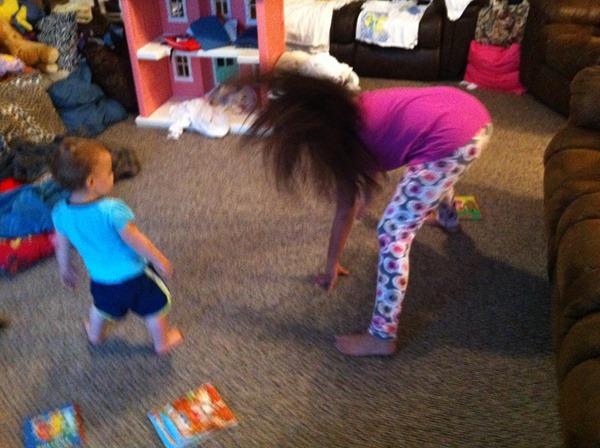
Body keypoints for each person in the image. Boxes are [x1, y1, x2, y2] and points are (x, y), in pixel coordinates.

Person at [247, 72, 492, 356]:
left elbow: (344, 210)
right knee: (434, 176)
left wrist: (331, 264)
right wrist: (363, 198)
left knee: (392, 231)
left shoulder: (346, 144)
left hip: (455, 140)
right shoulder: (357, 110)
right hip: (470, 112)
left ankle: (382, 336)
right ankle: (449, 221)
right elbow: (372, 165)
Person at [50, 137, 183, 355]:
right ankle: (162, 343)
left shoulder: (60, 213)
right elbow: (137, 240)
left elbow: (60, 245)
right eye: (110, 172)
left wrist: (65, 269)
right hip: (134, 276)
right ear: (91, 182)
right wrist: (159, 260)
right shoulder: (113, 209)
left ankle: (95, 335)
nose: (114, 175)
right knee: (155, 308)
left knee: (101, 307)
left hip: (101, 280)